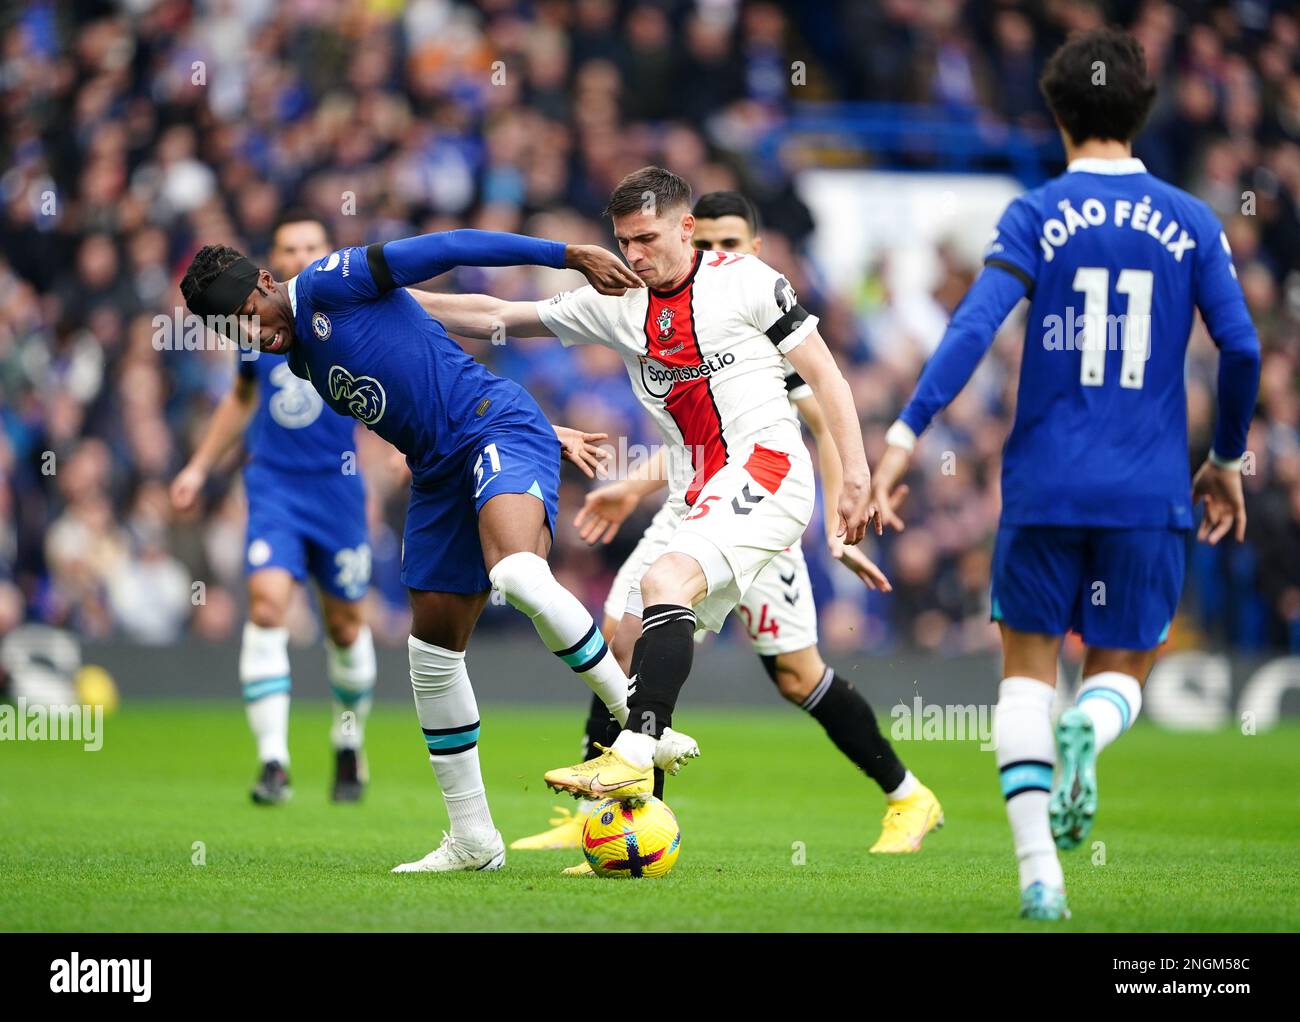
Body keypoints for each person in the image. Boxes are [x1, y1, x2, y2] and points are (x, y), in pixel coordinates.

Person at [869, 28, 1261, 920]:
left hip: (1043, 486)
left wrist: (903, 432)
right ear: (1145, 109)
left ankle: (1040, 873)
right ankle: (1099, 722)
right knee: (1126, 665)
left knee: (1023, 681)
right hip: (1148, 488)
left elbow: (972, 328)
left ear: (1055, 114)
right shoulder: (1194, 220)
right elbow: (1240, 348)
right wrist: (1227, 458)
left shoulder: (1035, 213)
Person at [178, 225, 699, 874]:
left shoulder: (328, 281)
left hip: (491, 426)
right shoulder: (300, 356)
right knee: (430, 657)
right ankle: (474, 840)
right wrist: (552, 428)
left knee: (518, 574)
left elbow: (449, 247)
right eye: (232, 333)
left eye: (246, 317)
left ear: (262, 284)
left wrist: (567, 256)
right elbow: (420, 361)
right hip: (437, 470)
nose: (250, 335)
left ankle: (642, 724)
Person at [413, 166, 880, 814]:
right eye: (624, 241)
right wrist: (400, 303)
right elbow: (497, 315)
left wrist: (856, 474)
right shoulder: (616, 302)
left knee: (673, 589)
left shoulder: (745, 281)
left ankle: (638, 751)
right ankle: (626, 819)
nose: (635, 255)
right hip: (697, 494)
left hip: (769, 470)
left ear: (688, 229)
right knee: (625, 632)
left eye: (647, 238)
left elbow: (828, 378)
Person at [509, 192, 941, 863]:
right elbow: (697, 436)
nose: (720, 254)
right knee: (623, 631)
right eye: (711, 242)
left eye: (731, 243)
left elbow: (820, 421)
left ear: (753, 250)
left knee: (797, 676)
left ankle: (908, 794)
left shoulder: (758, 312)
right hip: (697, 499)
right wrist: (633, 484)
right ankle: (613, 810)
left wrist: (837, 520)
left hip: (758, 507)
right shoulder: (673, 306)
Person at [172, 211, 376, 805]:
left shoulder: (348, 317)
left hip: (337, 491)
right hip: (274, 487)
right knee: (266, 606)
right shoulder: (253, 329)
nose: (302, 254)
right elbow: (240, 400)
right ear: (274, 261)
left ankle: (348, 744)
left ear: (327, 251)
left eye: (313, 244)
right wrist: (198, 467)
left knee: (344, 626)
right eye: (291, 247)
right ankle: (274, 763)